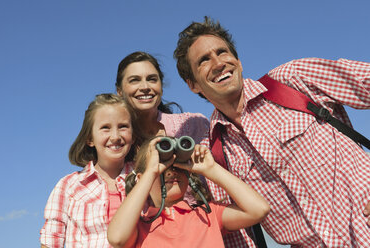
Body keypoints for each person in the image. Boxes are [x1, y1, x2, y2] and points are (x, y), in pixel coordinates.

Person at [173, 16, 370, 247]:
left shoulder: (292, 80)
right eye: (204, 60)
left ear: (238, 61)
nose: (218, 63)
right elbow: (241, 236)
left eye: (222, 52)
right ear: (192, 85)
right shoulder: (214, 152)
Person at [107, 136, 270, 248]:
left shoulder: (208, 214)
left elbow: (258, 209)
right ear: (142, 179)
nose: (171, 172)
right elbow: (117, 238)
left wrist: (211, 169)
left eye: (178, 166)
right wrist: (151, 172)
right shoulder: (140, 226)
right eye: (163, 168)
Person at [40, 94, 136, 248]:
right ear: (90, 139)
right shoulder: (68, 186)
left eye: (123, 126)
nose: (115, 136)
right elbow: (51, 239)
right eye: (105, 128)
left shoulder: (144, 177)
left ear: (133, 135)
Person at [115, 51, 209, 146]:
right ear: (120, 91)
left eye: (152, 79)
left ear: (161, 87)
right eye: (134, 80)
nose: (145, 87)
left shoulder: (194, 125)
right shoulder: (113, 139)